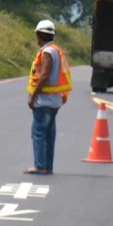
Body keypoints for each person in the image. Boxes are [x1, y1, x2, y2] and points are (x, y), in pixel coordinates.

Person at [25, 19, 72, 175]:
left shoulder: (47, 52)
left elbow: (44, 75)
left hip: (44, 100)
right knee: (49, 133)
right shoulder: (56, 50)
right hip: (54, 100)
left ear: (39, 35)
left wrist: (33, 96)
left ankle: (40, 165)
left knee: (38, 133)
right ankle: (47, 166)